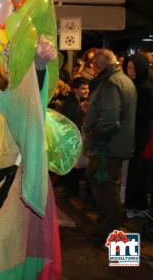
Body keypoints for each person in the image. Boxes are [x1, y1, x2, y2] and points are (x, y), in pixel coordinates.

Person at [0, 38, 62, 279]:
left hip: (16, 187)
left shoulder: (10, 99)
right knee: (1, 251)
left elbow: (32, 100)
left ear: (2, 77)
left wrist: (39, 64)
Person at [84, 49, 137, 235]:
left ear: (99, 65)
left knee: (103, 188)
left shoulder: (110, 84)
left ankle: (108, 230)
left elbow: (109, 122)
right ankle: (111, 225)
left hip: (107, 148)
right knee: (110, 188)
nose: (92, 69)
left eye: (94, 66)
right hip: (118, 145)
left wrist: (93, 134)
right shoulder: (124, 80)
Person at [122, 53, 153, 214]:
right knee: (135, 169)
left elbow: (148, 113)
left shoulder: (145, 87)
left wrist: (128, 112)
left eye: (134, 68)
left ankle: (132, 204)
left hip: (140, 133)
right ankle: (138, 204)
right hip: (133, 131)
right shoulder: (130, 84)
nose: (131, 71)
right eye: (128, 67)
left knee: (135, 168)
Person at [59, 76, 90, 196]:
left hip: (79, 137)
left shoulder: (83, 102)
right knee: (75, 165)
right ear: (75, 90)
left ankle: (73, 189)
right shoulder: (70, 105)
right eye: (83, 89)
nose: (86, 91)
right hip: (73, 138)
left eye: (87, 89)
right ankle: (72, 190)